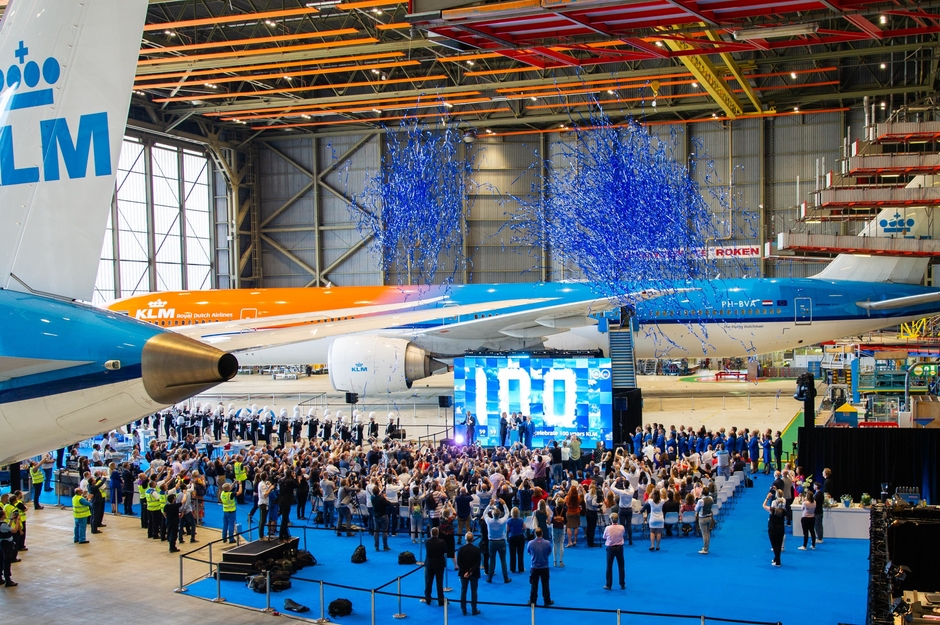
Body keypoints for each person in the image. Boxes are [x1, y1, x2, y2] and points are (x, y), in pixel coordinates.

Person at [483, 499, 511, 583]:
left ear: (492, 514)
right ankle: (505, 578)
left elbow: (484, 513)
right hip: (501, 541)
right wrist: (504, 504)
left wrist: (489, 505)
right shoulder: (502, 521)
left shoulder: (489, 521)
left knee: (492, 560)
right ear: (499, 515)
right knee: (503, 560)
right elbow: (507, 513)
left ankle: (489, 578)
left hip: (492, 542)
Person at [526, 527, 553, 607]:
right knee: (545, 584)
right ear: (542, 533)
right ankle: (547, 601)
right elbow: (549, 552)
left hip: (534, 567)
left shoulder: (530, 543)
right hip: (544, 567)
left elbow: (529, 552)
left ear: (535, 534)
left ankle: (533, 601)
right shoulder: (547, 543)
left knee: (534, 585)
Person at [457, 531, 482, 616]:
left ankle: (463, 609)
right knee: (474, 591)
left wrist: (466, 572)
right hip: (474, 573)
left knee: (463, 590)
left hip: (463, 573)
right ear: (473, 539)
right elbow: (478, 563)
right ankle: (474, 609)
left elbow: (459, 563)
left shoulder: (460, 549)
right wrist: (470, 571)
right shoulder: (477, 549)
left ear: (465, 539)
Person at [602, 512, 625, 590]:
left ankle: (609, 585)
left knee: (609, 566)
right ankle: (622, 584)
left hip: (611, 548)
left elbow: (604, 537)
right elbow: (622, 534)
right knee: (621, 566)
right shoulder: (621, 527)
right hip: (620, 548)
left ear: (610, 520)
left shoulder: (608, 528)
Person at [424, 527, 447, 606]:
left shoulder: (427, 541)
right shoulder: (442, 542)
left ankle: (428, 598)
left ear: (431, 533)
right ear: (438, 533)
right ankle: (440, 600)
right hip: (439, 564)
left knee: (429, 581)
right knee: (439, 582)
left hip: (430, 564)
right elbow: (445, 550)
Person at [764, 493, 787, 567]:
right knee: (779, 545)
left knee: (774, 546)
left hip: (773, 529)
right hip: (781, 529)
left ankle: (778, 561)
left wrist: (767, 498)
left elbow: (764, 505)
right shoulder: (784, 511)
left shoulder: (772, 510)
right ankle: (776, 559)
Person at [0, 508, 19, 586]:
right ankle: (8, 580)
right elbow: (14, 530)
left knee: (1, 560)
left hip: (2, 544)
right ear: (2, 516)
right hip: (7, 545)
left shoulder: (2, 525)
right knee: (7, 562)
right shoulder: (3, 525)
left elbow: (6, 529)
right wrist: (17, 521)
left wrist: (11, 520)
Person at [507, 507, 526, 573]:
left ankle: (512, 568)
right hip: (520, 537)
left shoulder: (509, 520)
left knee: (512, 554)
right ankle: (521, 568)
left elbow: (507, 530)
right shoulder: (521, 520)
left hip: (512, 537)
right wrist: (521, 530)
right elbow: (524, 528)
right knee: (520, 553)